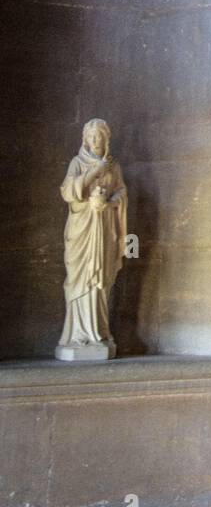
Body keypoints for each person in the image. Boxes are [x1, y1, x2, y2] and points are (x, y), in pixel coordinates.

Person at [56, 118, 127, 360]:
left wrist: (110, 201)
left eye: (100, 136)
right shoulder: (77, 163)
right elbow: (68, 191)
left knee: (101, 280)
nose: (96, 141)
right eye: (92, 136)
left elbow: (121, 191)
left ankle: (98, 333)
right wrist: (95, 172)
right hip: (81, 231)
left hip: (105, 229)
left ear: (107, 139)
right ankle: (77, 334)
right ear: (85, 139)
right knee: (80, 278)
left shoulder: (114, 166)